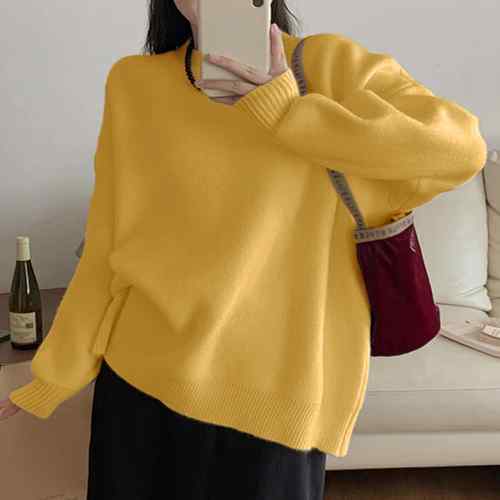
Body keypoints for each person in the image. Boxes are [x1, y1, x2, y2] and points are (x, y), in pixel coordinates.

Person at [1, 1, 487, 499]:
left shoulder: (328, 66)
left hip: (273, 404)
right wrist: (53, 374)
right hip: (138, 384)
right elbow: (108, 244)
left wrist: (288, 112)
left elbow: (460, 149)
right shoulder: (133, 84)